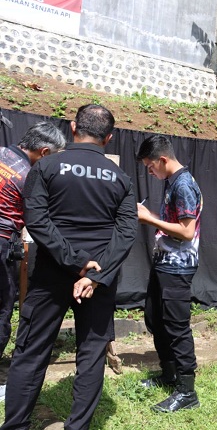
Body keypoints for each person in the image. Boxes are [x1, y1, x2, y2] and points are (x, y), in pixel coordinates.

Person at [2, 105, 138, 430]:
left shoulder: (46, 166)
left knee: (31, 352)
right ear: (109, 137)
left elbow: (37, 221)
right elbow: (126, 232)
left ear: (73, 126)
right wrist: (95, 273)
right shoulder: (121, 178)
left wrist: (75, 262)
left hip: (50, 273)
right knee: (91, 356)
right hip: (98, 281)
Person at [0, 122, 66, 402]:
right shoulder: (29, 176)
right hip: (2, 241)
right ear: (44, 151)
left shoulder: (1, 152)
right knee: (2, 309)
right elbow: (38, 220)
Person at [136, 134, 202, 413]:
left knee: (176, 328)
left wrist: (148, 217)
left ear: (162, 160)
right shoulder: (171, 181)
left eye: (150, 166)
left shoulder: (184, 185)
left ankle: (187, 392)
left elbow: (187, 232)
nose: (149, 172)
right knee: (154, 317)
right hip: (164, 263)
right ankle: (169, 374)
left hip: (178, 267)